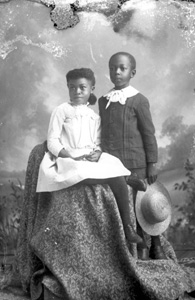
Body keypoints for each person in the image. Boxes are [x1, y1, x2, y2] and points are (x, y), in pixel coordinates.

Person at [36, 67, 143, 247]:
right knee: (79, 169)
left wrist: (98, 152)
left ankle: (128, 228)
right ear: (68, 88)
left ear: (91, 88)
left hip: (88, 157)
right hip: (67, 158)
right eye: (72, 87)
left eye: (82, 87)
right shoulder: (62, 110)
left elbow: (97, 142)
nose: (77, 91)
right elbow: (52, 141)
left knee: (113, 162)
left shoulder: (94, 116)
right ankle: (127, 178)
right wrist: (68, 156)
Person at [98, 52, 165, 260]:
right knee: (122, 206)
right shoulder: (104, 101)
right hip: (112, 164)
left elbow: (148, 133)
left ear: (132, 72)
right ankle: (135, 247)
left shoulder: (139, 100)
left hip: (137, 163)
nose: (116, 72)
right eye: (112, 68)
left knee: (143, 204)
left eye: (122, 68)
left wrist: (151, 163)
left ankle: (155, 245)